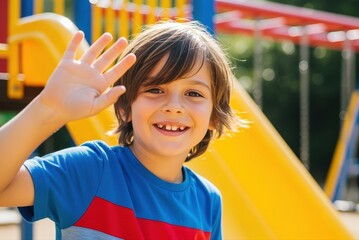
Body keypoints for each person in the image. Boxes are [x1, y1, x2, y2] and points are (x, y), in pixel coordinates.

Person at [0, 21, 243, 239]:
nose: (174, 107)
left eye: (194, 93)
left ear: (213, 116)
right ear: (125, 107)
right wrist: (46, 109)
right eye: (156, 89)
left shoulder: (208, 201)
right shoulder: (91, 171)